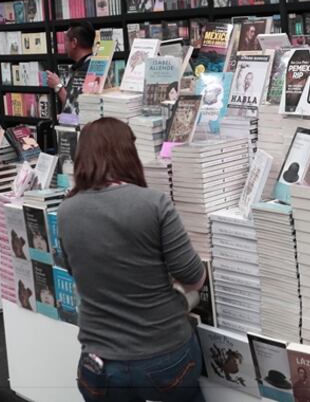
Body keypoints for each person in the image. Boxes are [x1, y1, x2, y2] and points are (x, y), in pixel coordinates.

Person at [56, 118, 207, 402]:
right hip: (163, 353)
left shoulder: (66, 211)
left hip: (98, 358)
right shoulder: (153, 204)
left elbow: (75, 272)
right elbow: (194, 276)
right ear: (128, 154)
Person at [47, 21, 95, 115]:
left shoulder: (87, 70)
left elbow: (74, 107)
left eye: (66, 41)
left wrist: (57, 86)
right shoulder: (92, 65)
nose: (65, 45)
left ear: (74, 43)